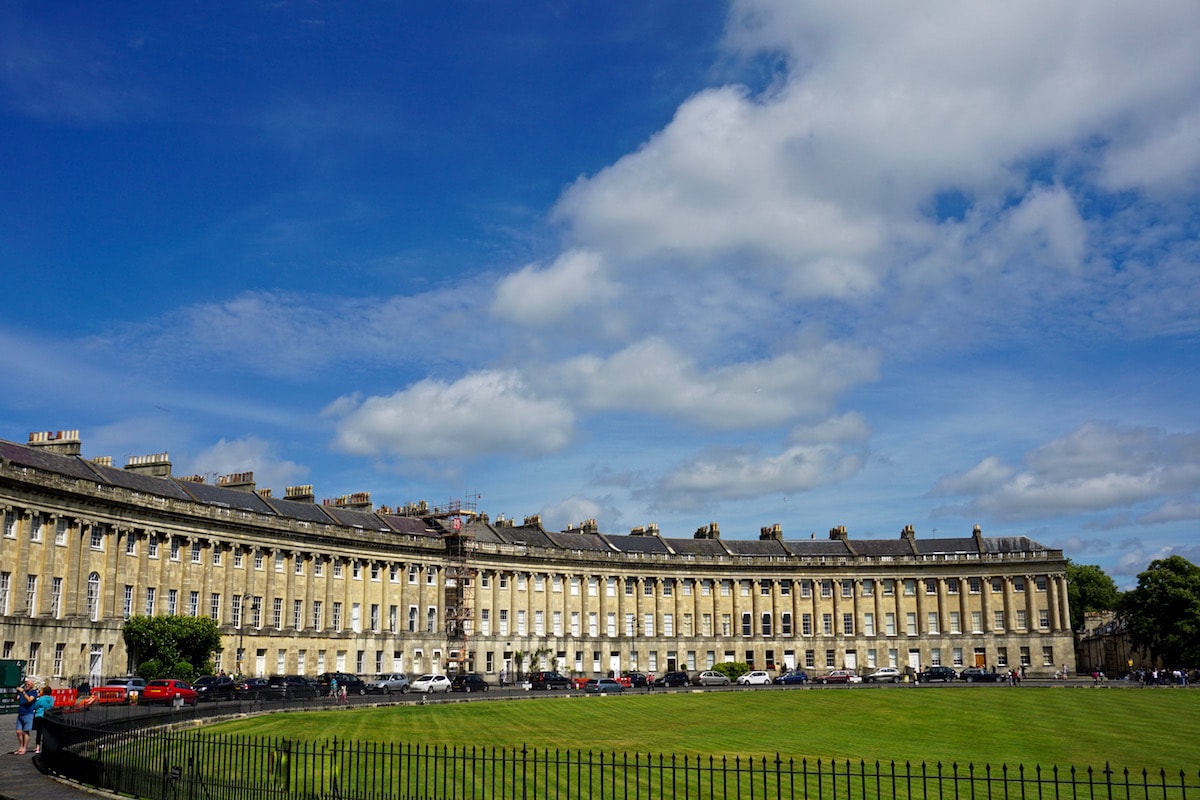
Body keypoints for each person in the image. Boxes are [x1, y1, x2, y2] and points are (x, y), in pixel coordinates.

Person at [14, 680, 37, 754]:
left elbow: (29, 700)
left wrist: (23, 692)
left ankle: (24, 748)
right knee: (18, 731)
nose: (27, 685)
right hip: (21, 713)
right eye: (26, 684)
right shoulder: (22, 692)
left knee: (26, 732)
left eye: (28, 684)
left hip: (28, 713)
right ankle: (20, 746)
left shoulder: (34, 692)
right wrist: (17, 692)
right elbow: (15, 699)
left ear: (32, 685)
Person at [32, 685, 55, 755]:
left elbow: (35, 706)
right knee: (46, 732)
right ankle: (45, 747)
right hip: (47, 717)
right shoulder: (51, 699)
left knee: (39, 732)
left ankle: (37, 747)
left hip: (39, 716)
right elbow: (51, 706)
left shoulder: (41, 699)